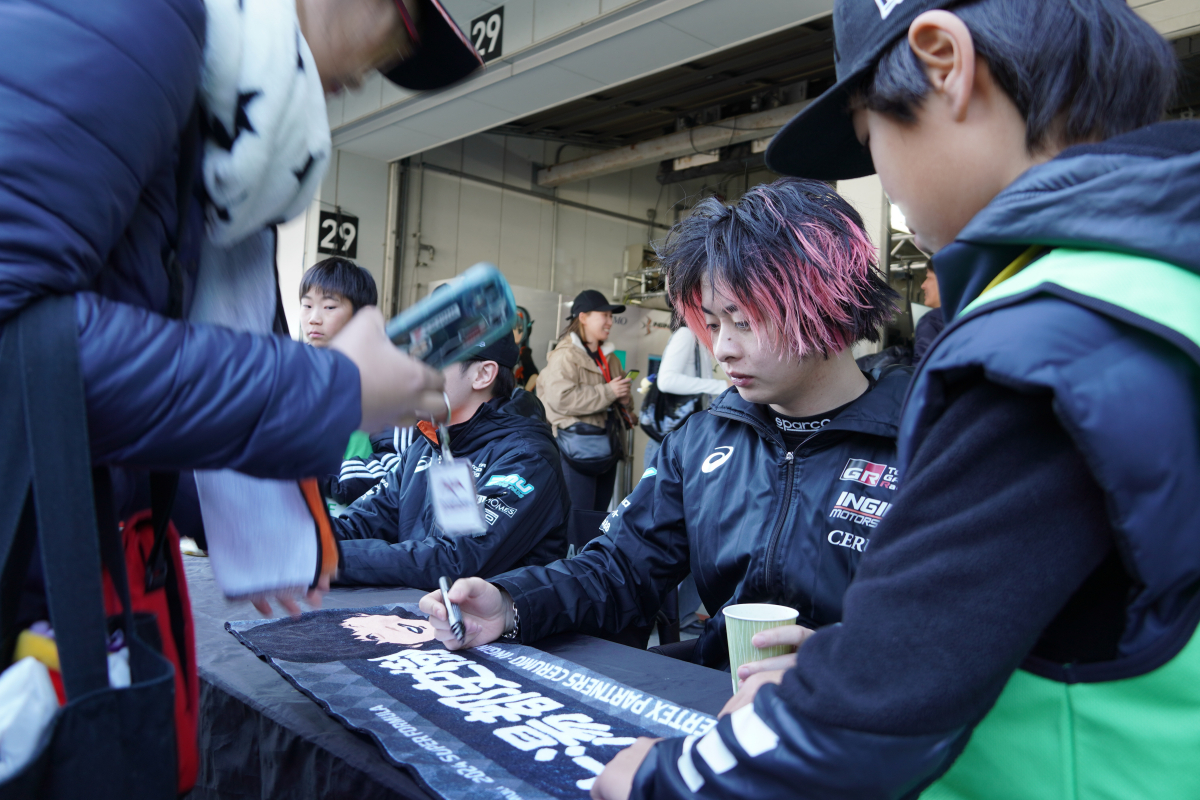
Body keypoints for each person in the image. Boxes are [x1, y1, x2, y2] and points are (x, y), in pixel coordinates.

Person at [583, 2, 1197, 799]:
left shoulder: (1044, 343)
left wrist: (658, 782)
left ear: (945, 62)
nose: (886, 181)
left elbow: (879, 709)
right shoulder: (1160, 288)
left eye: (873, 136)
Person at [0, 0, 482, 617]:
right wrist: (330, 387)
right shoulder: (139, 23)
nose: (375, 70)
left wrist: (241, 514)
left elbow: (101, 391)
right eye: (400, 27)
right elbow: (20, 343)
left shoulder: (219, 121)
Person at [419, 178, 907, 673]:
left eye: (745, 321)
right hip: (714, 709)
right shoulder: (700, 444)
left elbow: (965, 627)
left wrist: (846, 665)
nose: (722, 350)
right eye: (713, 324)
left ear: (826, 303)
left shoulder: (928, 445)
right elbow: (619, 569)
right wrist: (511, 603)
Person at [333, 333, 570, 589]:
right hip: (414, 618)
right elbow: (361, 522)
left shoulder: (528, 457)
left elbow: (456, 559)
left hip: (485, 626)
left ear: (482, 375)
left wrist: (324, 560)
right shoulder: (425, 446)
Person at [299, 258, 407, 509]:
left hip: (351, 522)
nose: (313, 318)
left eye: (328, 307)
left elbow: (396, 462)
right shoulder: (290, 370)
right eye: (306, 305)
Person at [537, 290, 633, 513]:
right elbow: (561, 398)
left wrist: (625, 400)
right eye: (605, 316)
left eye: (611, 316)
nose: (610, 322)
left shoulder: (610, 357)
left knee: (599, 517)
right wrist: (609, 392)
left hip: (607, 447)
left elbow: (620, 399)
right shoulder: (565, 356)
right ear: (583, 317)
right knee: (577, 517)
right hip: (574, 450)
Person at [643, 322, 730, 468]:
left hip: (684, 437)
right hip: (672, 439)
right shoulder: (686, 334)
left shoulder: (697, 337)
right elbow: (667, 381)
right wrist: (722, 386)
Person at [911, 262, 945, 364]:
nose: (923, 285)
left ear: (944, 281)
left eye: (929, 277)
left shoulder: (931, 320)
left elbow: (922, 371)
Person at [512, 306, 541, 392]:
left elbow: (534, 376)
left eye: (519, 329)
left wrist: (523, 394)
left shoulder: (523, 352)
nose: (513, 332)